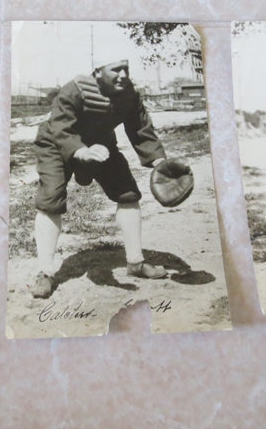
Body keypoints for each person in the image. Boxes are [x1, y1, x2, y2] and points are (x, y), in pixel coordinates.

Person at [30, 59, 181, 299]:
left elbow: (140, 128)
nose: (123, 75)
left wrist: (159, 161)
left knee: (128, 193)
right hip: (56, 144)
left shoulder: (129, 93)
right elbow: (61, 127)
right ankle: (45, 272)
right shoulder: (75, 89)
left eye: (126, 69)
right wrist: (79, 151)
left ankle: (135, 263)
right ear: (98, 71)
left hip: (100, 144)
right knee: (51, 198)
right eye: (116, 70)